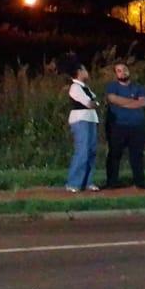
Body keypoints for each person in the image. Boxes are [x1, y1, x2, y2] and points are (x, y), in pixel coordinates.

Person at [104, 61, 145, 188]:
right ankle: (112, 182)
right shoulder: (112, 86)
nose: (122, 72)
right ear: (115, 74)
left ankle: (139, 182)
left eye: (124, 69)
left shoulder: (138, 87)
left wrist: (123, 103)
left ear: (128, 71)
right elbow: (113, 99)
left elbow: (144, 102)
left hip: (137, 125)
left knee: (137, 155)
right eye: (118, 70)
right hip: (118, 125)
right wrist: (134, 102)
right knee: (114, 154)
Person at [61, 56, 101, 192]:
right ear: (79, 71)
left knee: (91, 151)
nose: (87, 72)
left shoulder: (86, 88)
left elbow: (94, 102)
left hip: (91, 119)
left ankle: (87, 181)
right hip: (80, 119)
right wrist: (94, 104)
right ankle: (73, 182)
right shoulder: (75, 87)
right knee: (82, 150)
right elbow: (90, 103)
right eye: (85, 69)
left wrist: (94, 104)